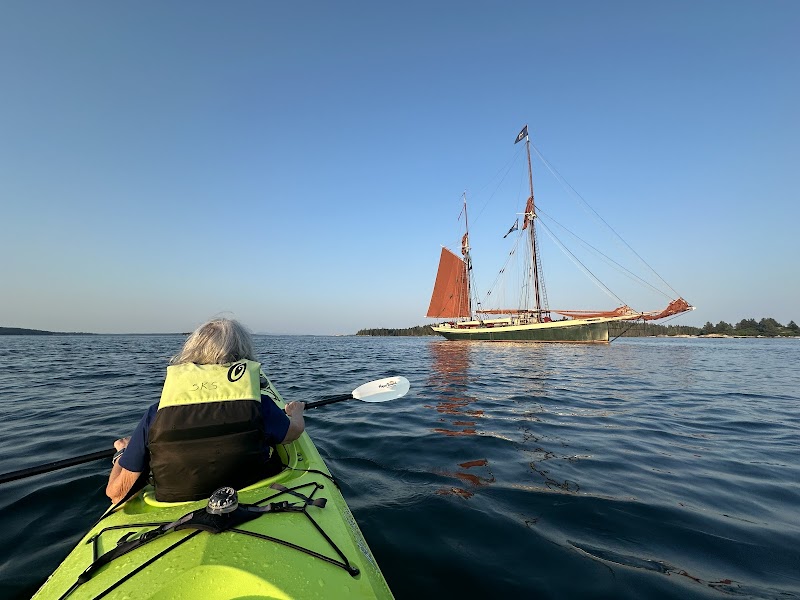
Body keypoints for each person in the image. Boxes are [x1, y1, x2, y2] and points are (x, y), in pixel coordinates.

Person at [106, 318, 305, 504]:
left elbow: (117, 494)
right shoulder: (260, 405)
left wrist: (122, 453)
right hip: (251, 495)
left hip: (174, 506)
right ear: (243, 357)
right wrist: (296, 412)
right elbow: (293, 433)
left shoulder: (155, 414)